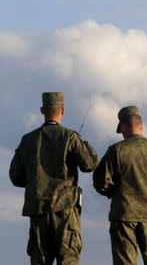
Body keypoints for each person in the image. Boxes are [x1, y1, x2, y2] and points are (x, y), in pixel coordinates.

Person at [9, 92, 98, 265]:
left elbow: (15, 176)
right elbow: (90, 164)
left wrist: (34, 182)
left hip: (38, 210)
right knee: (68, 259)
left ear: (42, 110)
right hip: (65, 211)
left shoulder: (28, 140)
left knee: (40, 260)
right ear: (62, 110)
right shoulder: (70, 137)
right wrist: (83, 143)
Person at [93, 106, 147, 265]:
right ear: (141, 126)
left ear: (123, 126)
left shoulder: (116, 150)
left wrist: (113, 193)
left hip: (123, 215)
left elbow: (99, 181)